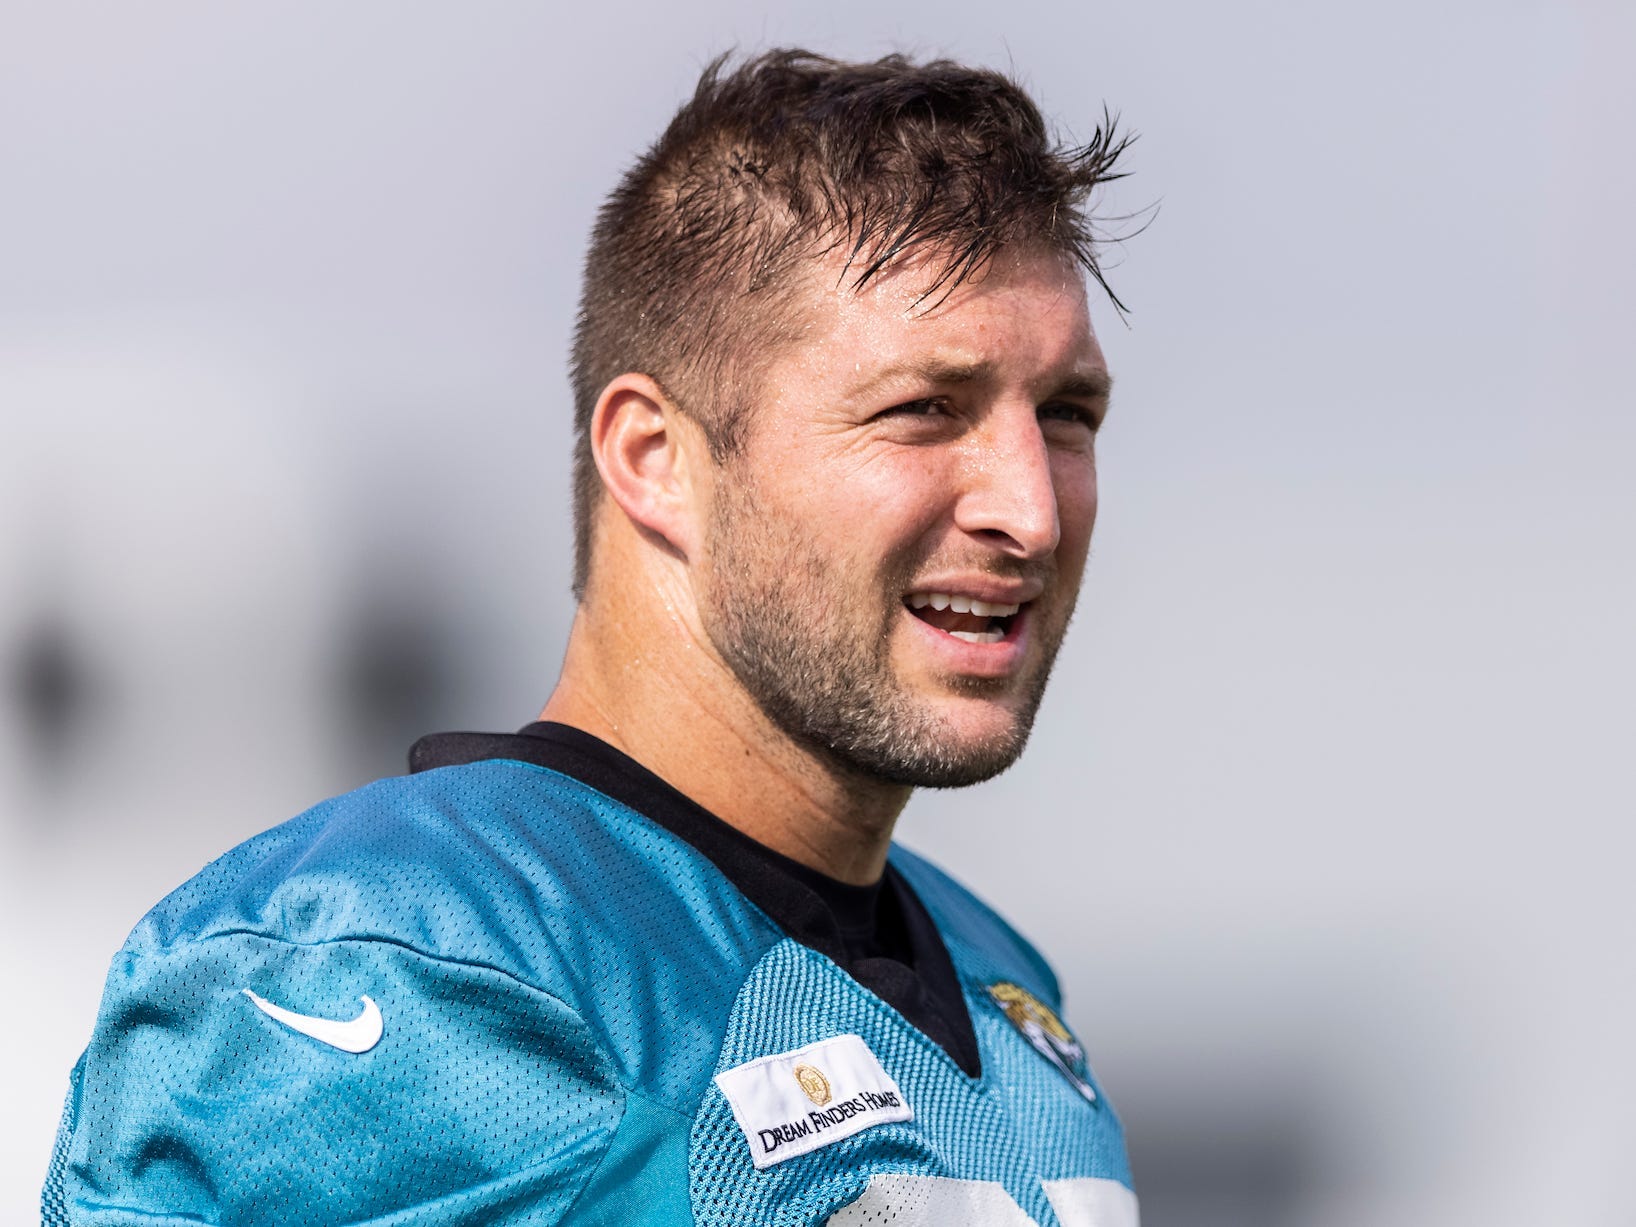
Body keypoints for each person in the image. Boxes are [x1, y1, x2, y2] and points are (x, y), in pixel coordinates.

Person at [44, 50, 1139, 1226]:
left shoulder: (999, 978)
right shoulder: (397, 961)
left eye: (1064, 416)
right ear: (655, 460)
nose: (1028, 509)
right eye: (923, 411)